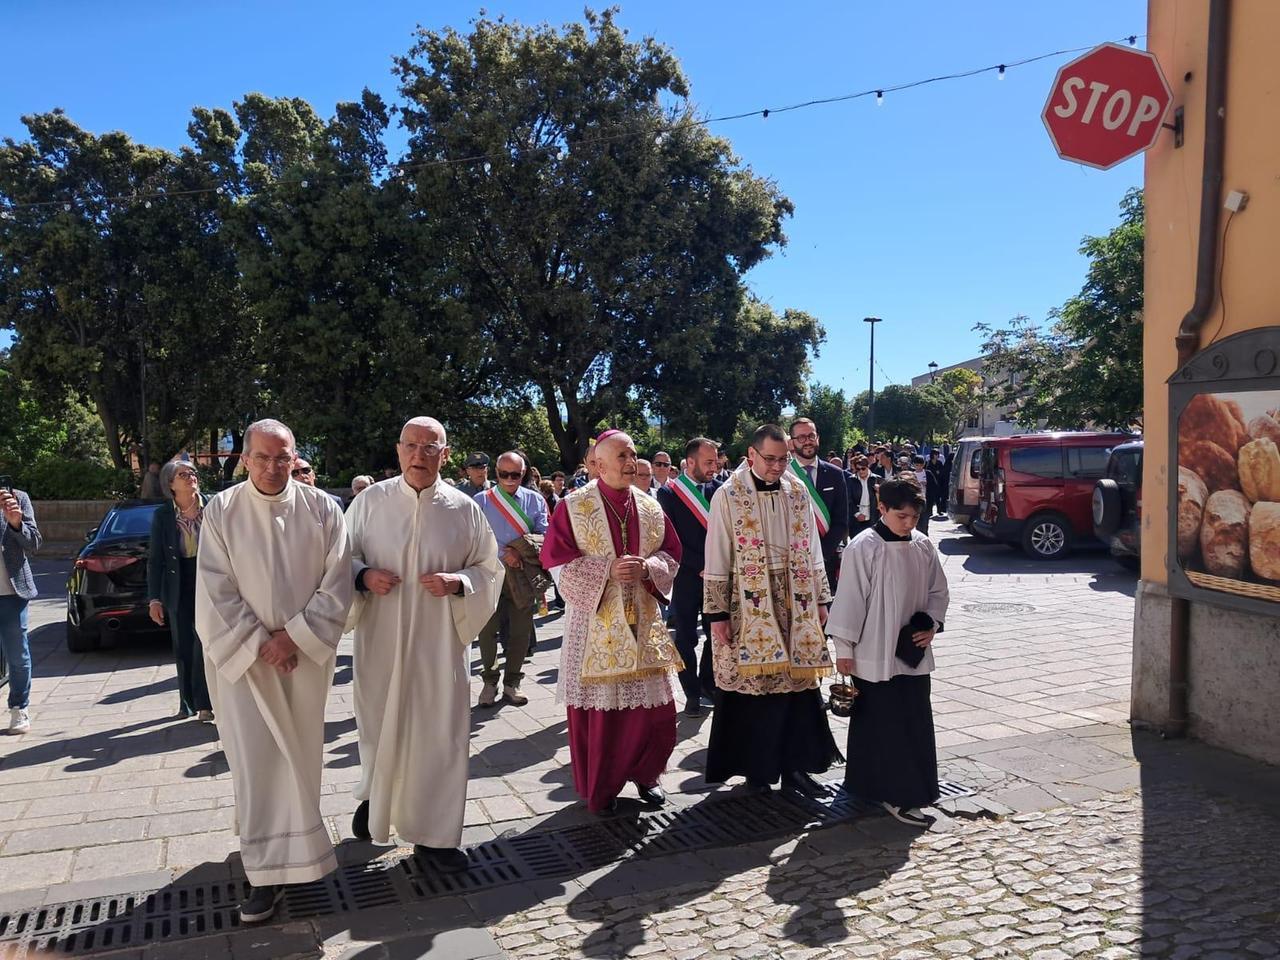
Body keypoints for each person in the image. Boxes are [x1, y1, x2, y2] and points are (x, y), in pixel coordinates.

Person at [194, 418, 353, 923]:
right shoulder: (222, 510)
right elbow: (214, 590)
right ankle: (263, 873)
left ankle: (304, 863)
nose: (271, 466)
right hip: (244, 665)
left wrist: (294, 638)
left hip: (302, 661)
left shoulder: (324, 508)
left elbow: (337, 584)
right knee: (255, 762)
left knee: (299, 757)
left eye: (281, 457)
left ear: (295, 456)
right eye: (260, 457)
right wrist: (263, 643)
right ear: (243, 459)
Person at [346, 417, 502, 873]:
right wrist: (362, 574)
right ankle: (378, 801)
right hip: (381, 636)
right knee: (379, 721)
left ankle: (434, 836)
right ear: (398, 450)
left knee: (439, 733)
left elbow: (489, 568)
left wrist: (459, 581)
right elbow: (336, 558)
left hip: (439, 642)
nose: (419, 455)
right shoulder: (370, 502)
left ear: (445, 454)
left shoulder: (463, 508)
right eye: (411, 445)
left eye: (429, 447)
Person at [540, 430, 683, 813]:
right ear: (596, 465)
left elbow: (671, 553)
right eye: (620, 455)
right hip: (595, 626)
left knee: (656, 713)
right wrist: (607, 570)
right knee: (603, 716)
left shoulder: (650, 506)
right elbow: (556, 562)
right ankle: (603, 788)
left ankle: (647, 776)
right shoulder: (573, 506)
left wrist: (648, 568)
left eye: (633, 454)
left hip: (643, 620)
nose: (630, 462)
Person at [703, 424, 840, 796]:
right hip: (748, 604)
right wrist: (716, 614)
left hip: (795, 599)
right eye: (770, 459)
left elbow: (812, 549)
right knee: (754, 689)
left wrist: (821, 599)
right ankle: (757, 769)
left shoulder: (798, 491)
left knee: (798, 686)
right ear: (752, 454)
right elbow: (716, 552)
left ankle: (797, 766)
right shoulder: (728, 496)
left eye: (783, 459)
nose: (778, 467)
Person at [826, 479, 949, 827]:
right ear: (882, 509)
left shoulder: (924, 546)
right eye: (902, 516)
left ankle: (907, 792)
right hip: (872, 650)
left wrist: (932, 623)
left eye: (914, 516)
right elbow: (849, 598)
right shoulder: (863, 547)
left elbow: (938, 591)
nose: (909, 524)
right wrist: (844, 648)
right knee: (878, 724)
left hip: (911, 650)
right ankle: (875, 788)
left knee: (912, 722)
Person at [475, 451, 549, 707]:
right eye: (504, 474)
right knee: (487, 632)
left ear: (523, 473)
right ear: (496, 474)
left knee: (520, 632)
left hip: (522, 574)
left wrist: (521, 551)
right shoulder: (481, 500)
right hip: (489, 573)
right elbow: (474, 538)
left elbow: (545, 534)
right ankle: (489, 681)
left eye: (515, 474)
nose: (509, 479)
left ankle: (512, 682)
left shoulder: (535, 500)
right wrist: (503, 552)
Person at [655, 437, 722, 716]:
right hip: (685, 577)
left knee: (716, 633)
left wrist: (717, 564)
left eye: (716, 462)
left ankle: (708, 682)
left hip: (716, 575)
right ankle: (691, 692)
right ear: (690, 462)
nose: (714, 468)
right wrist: (699, 565)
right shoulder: (669, 494)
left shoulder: (720, 490)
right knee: (685, 638)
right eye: (708, 462)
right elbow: (671, 540)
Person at [147, 461, 213, 722]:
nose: (191, 478)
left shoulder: (213, 506)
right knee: (184, 643)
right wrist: (154, 599)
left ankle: (206, 703)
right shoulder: (163, 515)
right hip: (178, 583)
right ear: (170, 484)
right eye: (183, 475)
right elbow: (156, 560)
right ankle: (187, 702)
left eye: (193, 473)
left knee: (205, 642)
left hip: (210, 579)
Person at [787, 418, 849, 585]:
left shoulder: (836, 474)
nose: (807, 441)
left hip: (825, 560)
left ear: (818, 438)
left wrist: (820, 553)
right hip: (790, 561)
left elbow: (841, 521)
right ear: (792, 443)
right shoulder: (783, 475)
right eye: (801, 437)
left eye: (811, 436)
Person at [1, 484, 41, 735]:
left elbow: (34, 542)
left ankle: (19, 707)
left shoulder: (18, 498)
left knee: (17, 655)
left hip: (12, 593)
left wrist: (16, 523)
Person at [848, 456, 880, 537]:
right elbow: (848, 499)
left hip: (873, 517)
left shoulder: (876, 479)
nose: (861, 471)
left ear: (868, 466)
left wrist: (880, 491)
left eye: (863, 468)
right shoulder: (851, 480)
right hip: (856, 519)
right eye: (858, 469)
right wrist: (857, 513)